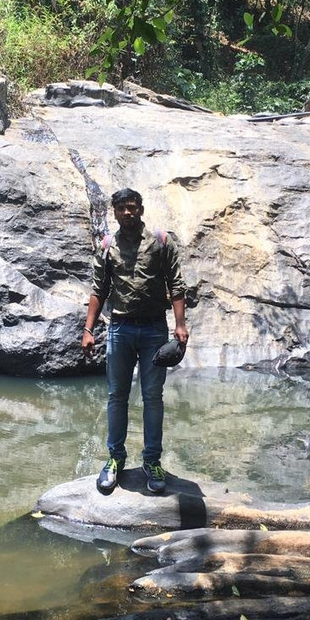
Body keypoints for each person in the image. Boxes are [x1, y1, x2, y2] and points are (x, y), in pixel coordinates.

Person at [81, 188, 189, 495]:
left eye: (132, 207)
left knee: (153, 396)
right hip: (120, 329)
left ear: (140, 209)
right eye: (121, 209)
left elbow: (176, 283)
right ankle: (115, 459)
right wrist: (88, 330)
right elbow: (98, 290)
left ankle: (152, 461)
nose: (127, 213)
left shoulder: (160, 241)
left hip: (155, 330)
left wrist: (180, 326)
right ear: (113, 213)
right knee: (117, 396)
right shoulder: (107, 245)